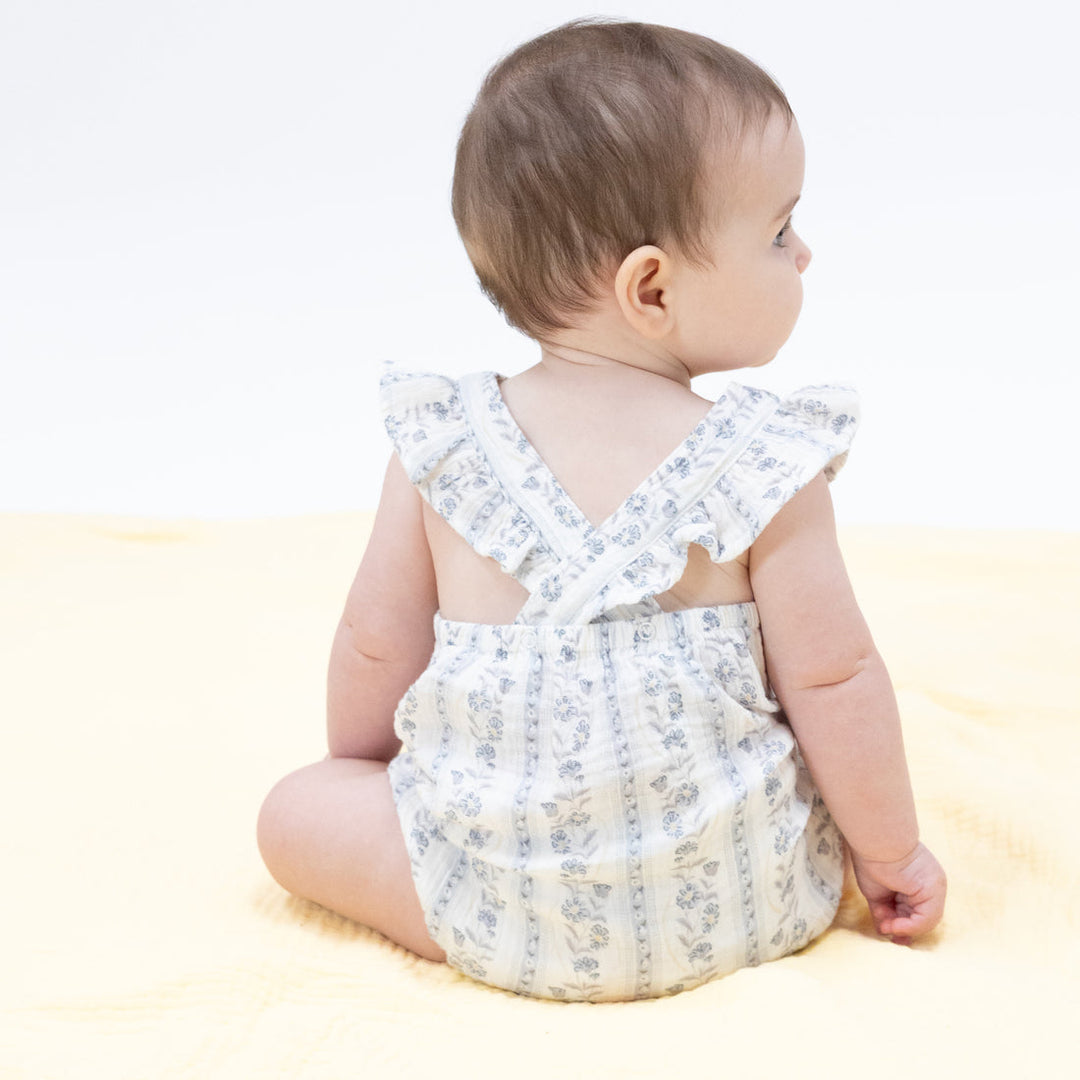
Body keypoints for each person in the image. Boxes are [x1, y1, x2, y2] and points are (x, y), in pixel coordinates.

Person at [257, 18, 946, 1002]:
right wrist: (891, 854)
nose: (804, 255)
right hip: (748, 901)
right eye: (780, 230)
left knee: (295, 810)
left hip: (495, 912)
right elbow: (836, 681)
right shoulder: (764, 465)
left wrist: (378, 786)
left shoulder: (443, 446)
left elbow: (375, 645)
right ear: (652, 288)